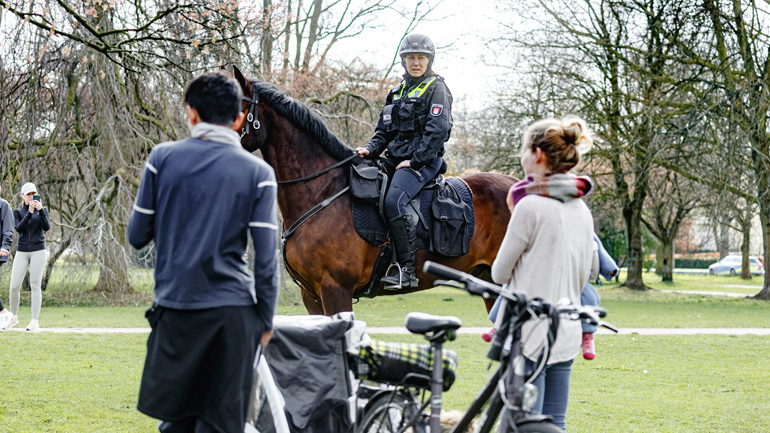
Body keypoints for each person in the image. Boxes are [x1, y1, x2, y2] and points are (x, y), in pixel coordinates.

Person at [127, 72, 280, 433]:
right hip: (233, 318)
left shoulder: (161, 159)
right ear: (239, 119)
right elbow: (266, 262)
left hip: (176, 313)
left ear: (191, 112)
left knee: (175, 425)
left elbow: (137, 236)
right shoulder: (259, 172)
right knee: (221, 426)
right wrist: (265, 322)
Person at [490, 116, 596, 430]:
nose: (521, 157)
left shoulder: (530, 206)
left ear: (537, 154)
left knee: (520, 422)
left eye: (524, 149)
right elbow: (588, 272)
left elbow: (499, 273)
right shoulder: (581, 208)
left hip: (529, 334)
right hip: (566, 329)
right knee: (555, 423)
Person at [355, 33, 453, 288]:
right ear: (403, 61)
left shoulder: (437, 88)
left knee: (393, 200)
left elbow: (437, 131)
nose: (416, 62)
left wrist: (416, 161)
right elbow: (383, 132)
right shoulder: (396, 92)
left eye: (421, 57)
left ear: (429, 60)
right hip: (394, 159)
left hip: (423, 162)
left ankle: (406, 271)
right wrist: (370, 150)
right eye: (411, 57)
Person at [7, 182, 50, 331]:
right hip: (22, 251)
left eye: (33, 194)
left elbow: (46, 227)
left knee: (35, 284)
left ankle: (34, 321)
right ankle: (13, 317)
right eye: (28, 194)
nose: (31, 197)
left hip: (39, 250)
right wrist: (30, 213)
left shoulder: (43, 210)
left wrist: (40, 210)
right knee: (14, 286)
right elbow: (19, 228)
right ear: (23, 196)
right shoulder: (18, 212)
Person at [580, 234, 618, 360]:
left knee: (589, 297)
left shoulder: (583, 226)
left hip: (579, 277)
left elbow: (596, 244)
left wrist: (609, 268)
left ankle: (587, 335)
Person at [0, 189, 14, 330]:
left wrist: (5, 246)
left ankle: (4, 313)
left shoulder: (4, 206)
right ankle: (4, 313)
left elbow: (8, 229)